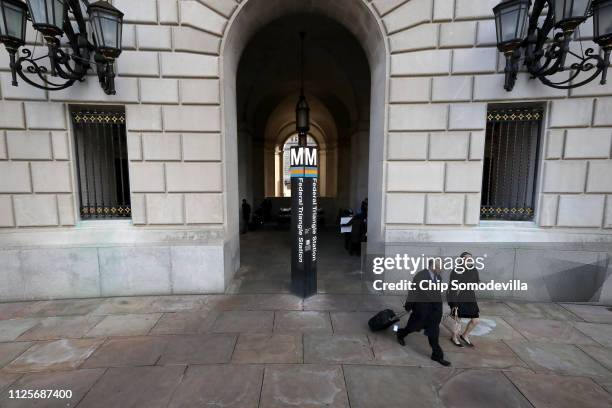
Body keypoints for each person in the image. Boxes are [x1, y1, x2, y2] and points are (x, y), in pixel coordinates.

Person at [397, 259, 451, 366]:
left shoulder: (438, 278)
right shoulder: (420, 276)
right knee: (413, 327)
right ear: (432, 266)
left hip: (434, 311)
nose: (442, 269)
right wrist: (408, 306)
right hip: (422, 310)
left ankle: (437, 355)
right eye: (440, 267)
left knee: (434, 333)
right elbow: (413, 292)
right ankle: (400, 333)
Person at [447, 252, 480, 348]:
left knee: (476, 320)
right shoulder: (456, 270)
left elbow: (477, 281)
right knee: (458, 319)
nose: (470, 260)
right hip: (458, 297)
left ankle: (464, 335)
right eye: (467, 258)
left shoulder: (474, 270)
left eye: (471, 258)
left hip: (470, 297)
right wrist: (453, 305)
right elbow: (452, 288)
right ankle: (454, 337)